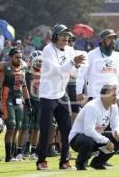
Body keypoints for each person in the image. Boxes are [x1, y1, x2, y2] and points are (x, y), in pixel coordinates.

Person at [36, 24, 86, 170]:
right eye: (62, 35)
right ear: (55, 37)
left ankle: (64, 160)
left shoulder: (70, 50)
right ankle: (41, 160)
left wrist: (76, 66)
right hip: (47, 95)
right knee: (46, 130)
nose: (65, 38)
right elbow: (55, 70)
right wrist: (72, 63)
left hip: (61, 93)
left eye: (67, 35)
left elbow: (74, 74)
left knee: (67, 129)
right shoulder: (48, 49)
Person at [69, 84, 119, 170]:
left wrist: (116, 132)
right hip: (78, 138)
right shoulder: (92, 107)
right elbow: (88, 131)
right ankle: (80, 163)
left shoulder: (114, 107)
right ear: (103, 95)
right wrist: (107, 141)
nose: (116, 97)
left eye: (116, 95)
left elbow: (116, 124)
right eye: (113, 95)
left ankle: (97, 163)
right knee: (88, 140)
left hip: (96, 137)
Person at [0, 48, 32, 162]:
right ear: (10, 57)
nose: (19, 59)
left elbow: (24, 87)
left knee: (17, 128)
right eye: (17, 57)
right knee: (11, 127)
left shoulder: (22, 68)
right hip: (7, 99)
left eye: (20, 57)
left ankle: (14, 154)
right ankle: (8, 156)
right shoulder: (4, 67)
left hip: (19, 100)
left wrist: (28, 102)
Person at [76, 28, 119, 106]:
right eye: (109, 38)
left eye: (114, 38)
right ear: (102, 41)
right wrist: (79, 92)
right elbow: (81, 75)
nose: (113, 41)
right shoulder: (91, 55)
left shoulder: (118, 56)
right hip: (95, 97)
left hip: (113, 98)